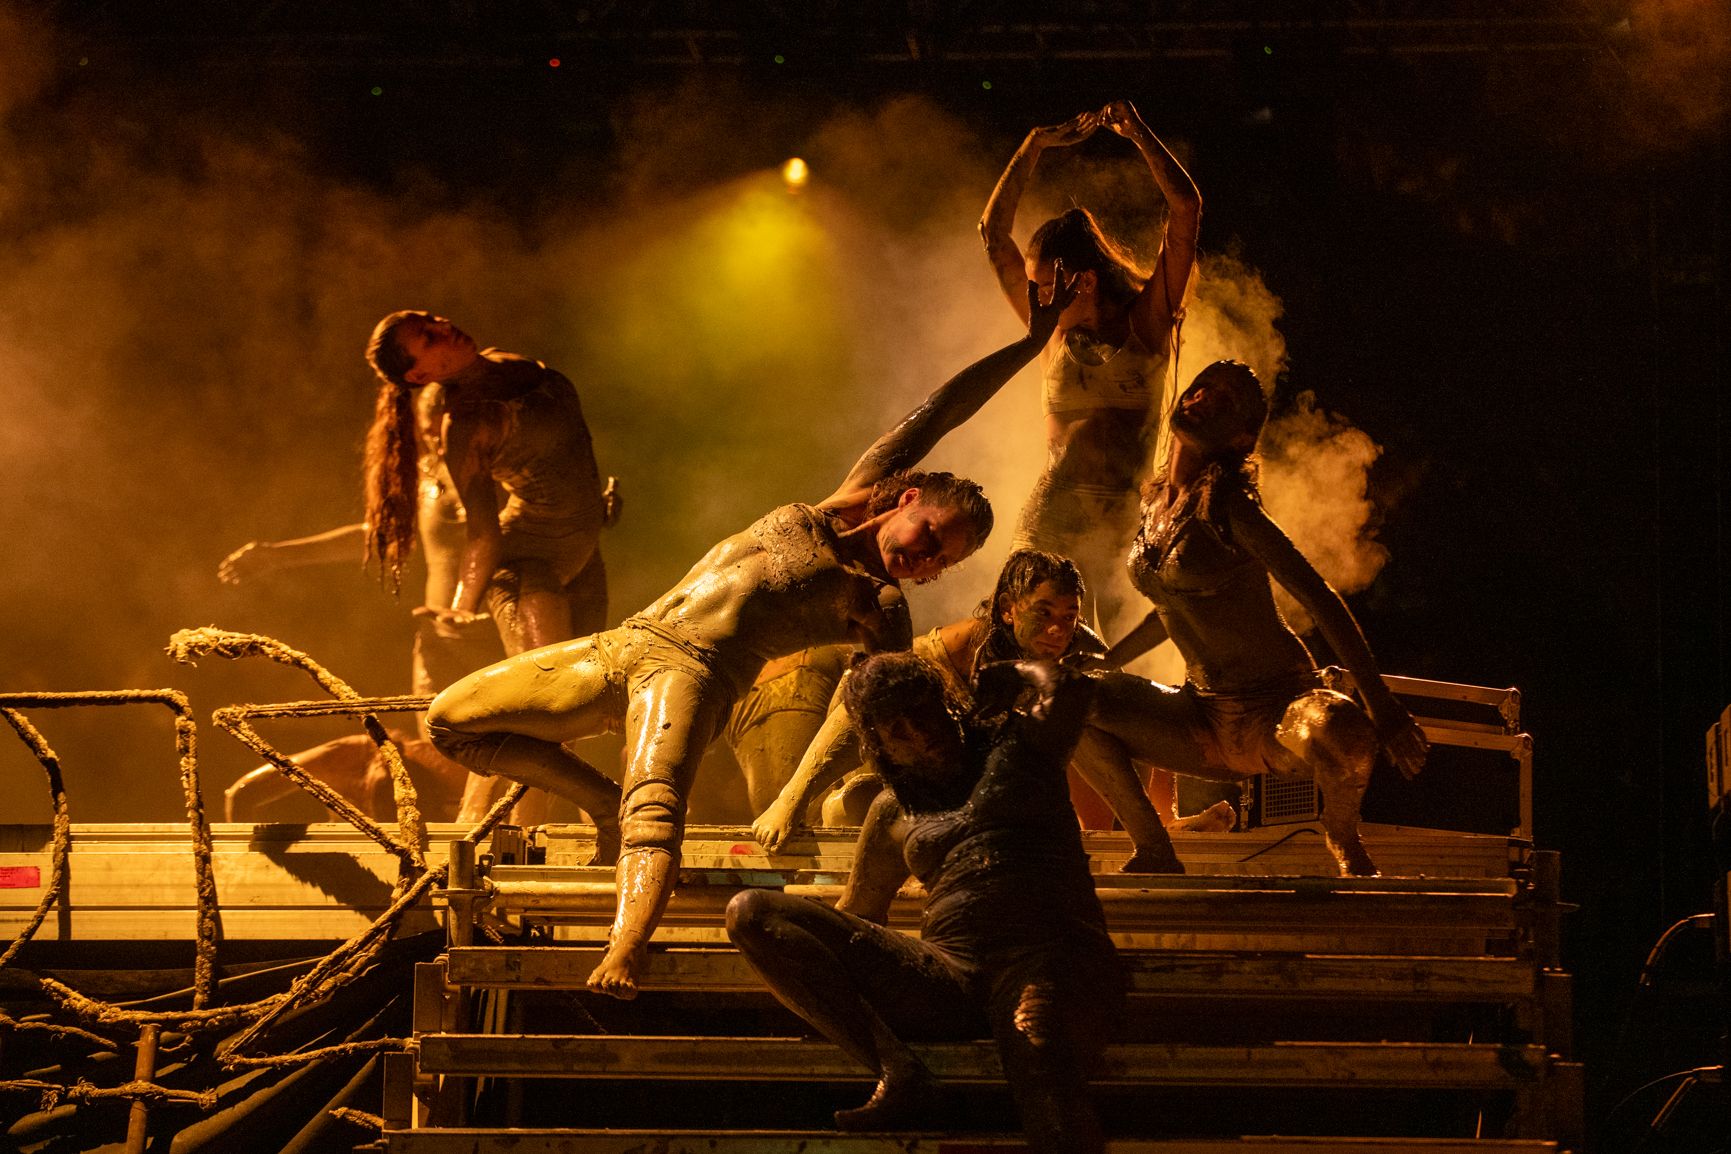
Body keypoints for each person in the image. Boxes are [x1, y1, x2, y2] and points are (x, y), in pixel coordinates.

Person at [427, 271, 1080, 999]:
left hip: (695, 674)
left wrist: (854, 795)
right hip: (628, 639)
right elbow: (940, 410)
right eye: (929, 536)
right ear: (905, 497)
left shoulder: (877, 603)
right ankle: (596, 798)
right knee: (450, 722)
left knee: (655, 802)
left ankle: (625, 948)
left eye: (941, 563)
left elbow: (880, 710)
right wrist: (1028, 340)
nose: (924, 560)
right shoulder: (844, 498)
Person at [727, 652, 1120, 1153]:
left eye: (922, 712)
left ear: (945, 704)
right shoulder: (891, 809)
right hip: (951, 975)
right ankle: (898, 1068)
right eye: (897, 730)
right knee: (752, 912)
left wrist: (1017, 671)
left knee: (1035, 1047)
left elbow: (1074, 690)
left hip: (1048, 959)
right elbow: (859, 915)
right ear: (881, 746)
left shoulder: (1018, 747)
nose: (919, 734)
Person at [1074, 360, 1429, 877]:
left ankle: (1343, 834)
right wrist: (1106, 662)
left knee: (1346, 731)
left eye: (1223, 399)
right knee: (1070, 701)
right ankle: (1153, 847)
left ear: (1240, 439)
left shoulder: (1231, 506)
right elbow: (1170, 608)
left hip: (1277, 708)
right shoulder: (1156, 504)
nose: (1200, 397)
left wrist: (1383, 707)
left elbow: (1319, 598)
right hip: (1204, 718)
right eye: (1201, 387)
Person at [752, 548, 1227, 867]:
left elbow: (1129, 731)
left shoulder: (1081, 654)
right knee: (853, 807)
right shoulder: (959, 647)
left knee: (1095, 707)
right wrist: (790, 799)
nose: (1057, 630)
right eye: (1043, 613)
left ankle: (1158, 834)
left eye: (1068, 617)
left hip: (1009, 796)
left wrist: (1157, 825)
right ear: (1007, 609)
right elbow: (866, 704)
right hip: (934, 784)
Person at [364, 312, 620, 823]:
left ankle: (513, 839)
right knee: (544, 716)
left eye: (432, 319)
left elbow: (565, 453)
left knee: (585, 707)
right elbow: (484, 530)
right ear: (419, 376)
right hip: (530, 567)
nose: (444, 327)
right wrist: (460, 608)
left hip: (582, 555)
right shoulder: (467, 422)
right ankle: (486, 844)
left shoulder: (510, 362)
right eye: (428, 338)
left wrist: (592, 505)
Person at [218, 383, 499, 822]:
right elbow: (379, 537)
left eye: (446, 430)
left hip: (492, 636)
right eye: (428, 432)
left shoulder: (499, 474)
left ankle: (496, 844)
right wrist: (278, 555)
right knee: (433, 748)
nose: (437, 441)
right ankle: (432, 856)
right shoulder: (428, 479)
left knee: (495, 756)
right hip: (438, 644)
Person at [979, 98, 1201, 638]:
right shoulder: (1048, 327)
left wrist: (1141, 135)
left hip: (1125, 515)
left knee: (1108, 656)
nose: (1036, 299)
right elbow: (993, 233)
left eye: (1049, 288)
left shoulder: (1146, 324)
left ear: (1087, 281)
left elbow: (1187, 211)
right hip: (1052, 513)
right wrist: (1033, 144)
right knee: (1021, 633)